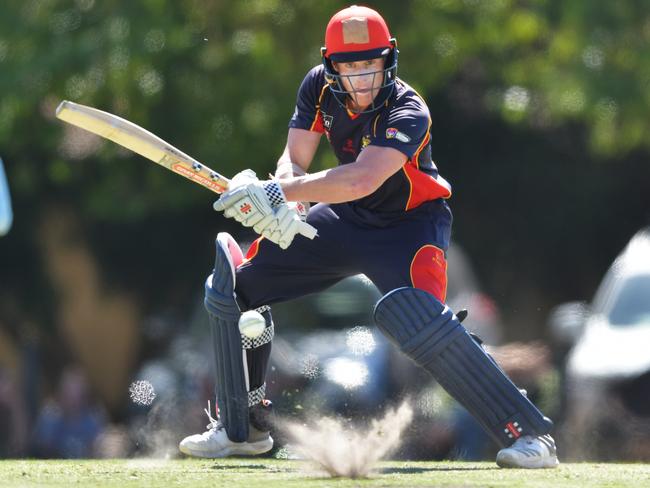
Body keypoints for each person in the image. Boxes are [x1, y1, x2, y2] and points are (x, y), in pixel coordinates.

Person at [179, 5, 559, 469]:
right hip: (344, 218)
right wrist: (286, 203)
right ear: (332, 65)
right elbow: (295, 159)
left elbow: (362, 178)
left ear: (388, 60)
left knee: (421, 325)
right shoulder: (317, 86)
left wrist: (278, 191)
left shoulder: (408, 109)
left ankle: (529, 435)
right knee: (233, 289)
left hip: (410, 227)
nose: (360, 77)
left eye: (369, 64)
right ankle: (243, 427)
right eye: (349, 66)